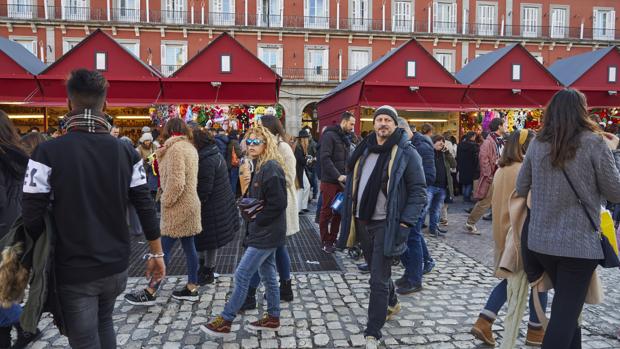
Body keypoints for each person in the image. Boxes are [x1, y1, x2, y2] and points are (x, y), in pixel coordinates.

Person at [21, 69, 164, 349]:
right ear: (105, 104)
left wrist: (47, 244)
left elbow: (31, 214)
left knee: (85, 339)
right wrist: (157, 252)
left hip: (73, 267)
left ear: (68, 103)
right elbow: (145, 206)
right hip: (116, 264)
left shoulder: (46, 153)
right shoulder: (127, 152)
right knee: (105, 323)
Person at [516, 89, 620, 349]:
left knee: (568, 310)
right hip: (578, 245)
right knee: (565, 315)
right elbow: (615, 192)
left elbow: (521, 185)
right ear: (581, 111)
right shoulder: (594, 142)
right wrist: (613, 152)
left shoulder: (538, 143)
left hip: (540, 243)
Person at [340, 106, 426, 349]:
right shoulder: (365, 149)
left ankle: (373, 331)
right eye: (379, 119)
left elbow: (419, 190)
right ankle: (392, 302)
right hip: (362, 220)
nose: (383, 124)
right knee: (380, 271)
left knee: (377, 279)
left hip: (386, 224)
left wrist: (405, 222)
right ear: (374, 124)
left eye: (388, 120)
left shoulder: (407, 153)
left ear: (395, 125)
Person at [201, 126, 287, 336]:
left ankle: (226, 319)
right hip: (265, 232)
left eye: (256, 142)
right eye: (248, 142)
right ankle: (273, 318)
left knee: (242, 274)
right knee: (268, 275)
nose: (251, 145)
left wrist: (258, 220)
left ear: (266, 144)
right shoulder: (260, 165)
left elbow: (279, 203)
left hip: (266, 233)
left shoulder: (271, 168)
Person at [471, 129, 548, 347]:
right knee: (538, 281)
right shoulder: (525, 169)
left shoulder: (502, 169)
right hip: (521, 234)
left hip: (503, 233)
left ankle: (485, 320)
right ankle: (535, 330)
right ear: (524, 146)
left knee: (513, 280)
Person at [242, 114, 297, 307]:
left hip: (277, 205)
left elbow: (289, 177)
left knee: (265, 249)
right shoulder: (263, 149)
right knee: (275, 249)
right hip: (265, 204)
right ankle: (284, 288)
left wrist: (266, 181)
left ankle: (251, 294)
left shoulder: (282, 148)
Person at [0, 110, 42, 349]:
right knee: (5, 295)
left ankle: (26, 326)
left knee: (4, 300)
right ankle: (25, 327)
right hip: (16, 234)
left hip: (3, 235)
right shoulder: (21, 158)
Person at [155, 118, 202, 300]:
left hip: (177, 207)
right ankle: (192, 286)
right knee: (189, 247)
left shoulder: (174, 149)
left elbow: (176, 182)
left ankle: (151, 289)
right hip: (190, 204)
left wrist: (165, 201)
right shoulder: (189, 148)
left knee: (163, 249)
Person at [192, 127, 238, 285]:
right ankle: (206, 269)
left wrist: (195, 202)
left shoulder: (206, 160)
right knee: (209, 240)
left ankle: (207, 271)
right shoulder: (214, 153)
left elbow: (205, 189)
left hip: (212, 207)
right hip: (219, 204)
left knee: (208, 240)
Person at [395, 118, 435, 293]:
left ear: (403, 130)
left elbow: (426, 177)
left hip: (415, 200)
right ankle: (409, 273)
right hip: (405, 200)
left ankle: (415, 279)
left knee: (413, 238)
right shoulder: (407, 145)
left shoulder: (420, 147)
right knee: (405, 239)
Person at [319, 112, 355, 253]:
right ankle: (324, 241)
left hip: (343, 182)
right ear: (344, 122)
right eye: (351, 124)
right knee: (326, 212)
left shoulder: (346, 138)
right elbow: (325, 158)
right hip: (330, 182)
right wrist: (338, 175)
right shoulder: (329, 136)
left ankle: (333, 240)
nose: (353, 127)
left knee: (339, 211)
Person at [465, 118, 505, 234]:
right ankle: (470, 222)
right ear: (499, 126)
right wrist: (489, 174)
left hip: (499, 174)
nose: (506, 126)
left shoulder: (500, 140)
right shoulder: (489, 142)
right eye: (504, 124)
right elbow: (483, 159)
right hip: (493, 175)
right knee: (486, 201)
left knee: (496, 201)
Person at [422, 135, 456, 239]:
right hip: (430, 186)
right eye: (439, 142)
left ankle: (434, 229)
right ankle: (416, 229)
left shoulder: (444, 154)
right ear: (433, 143)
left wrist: (448, 153)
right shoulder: (428, 153)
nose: (441, 144)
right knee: (424, 209)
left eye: (443, 142)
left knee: (436, 210)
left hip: (442, 186)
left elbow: (454, 165)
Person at [457, 132, 480, 203]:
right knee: (469, 182)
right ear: (472, 136)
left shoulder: (460, 145)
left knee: (464, 182)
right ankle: (467, 197)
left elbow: (457, 155)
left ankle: (464, 196)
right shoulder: (474, 146)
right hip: (471, 166)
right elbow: (475, 157)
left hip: (462, 165)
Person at [294, 129, 312, 213]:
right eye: (306, 138)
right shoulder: (298, 147)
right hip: (298, 171)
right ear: (303, 139)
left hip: (301, 170)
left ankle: (303, 206)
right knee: (300, 188)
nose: (308, 140)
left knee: (307, 186)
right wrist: (308, 160)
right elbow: (300, 160)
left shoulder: (301, 147)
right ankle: (298, 208)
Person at [226, 129, 242, 196]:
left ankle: (230, 195)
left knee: (231, 181)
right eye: (238, 134)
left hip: (229, 163)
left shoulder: (229, 141)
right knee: (234, 181)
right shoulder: (235, 142)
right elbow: (239, 154)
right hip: (234, 165)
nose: (238, 135)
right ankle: (233, 196)